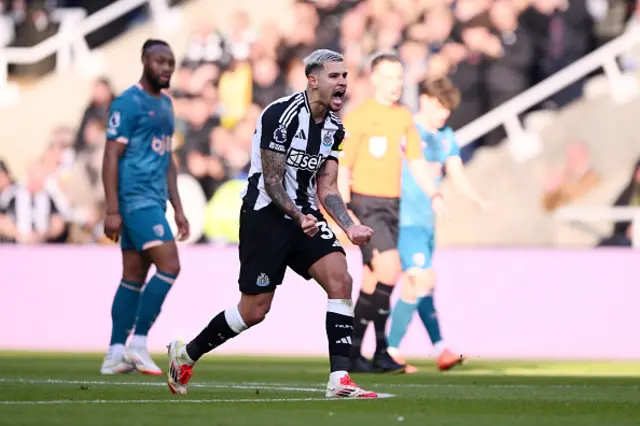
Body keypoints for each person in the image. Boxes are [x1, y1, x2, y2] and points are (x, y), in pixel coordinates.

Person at [165, 49, 379, 399]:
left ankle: (339, 380)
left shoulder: (335, 129)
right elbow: (273, 179)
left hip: (306, 216)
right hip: (266, 216)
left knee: (341, 277)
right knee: (254, 311)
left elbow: (327, 188)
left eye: (345, 76)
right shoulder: (281, 115)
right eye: (334, 77)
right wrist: (298, 216)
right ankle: (186, 354)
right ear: (313, 80)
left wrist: (349, 225)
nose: (342, 83)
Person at [338, 52, 446, 373]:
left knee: (373, 281)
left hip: (391, 205)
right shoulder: (358, 118)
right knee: (391, 269)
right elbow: (343, 165)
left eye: (399, 78)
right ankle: (383, 350)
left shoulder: (403, 118)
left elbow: (416, 161)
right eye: (389, 77)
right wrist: (344, 212)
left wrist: (435, 193)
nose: (395, 84)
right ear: (373, 79)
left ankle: (353, 354)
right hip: (365, 204)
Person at [100, 39, 190, 376]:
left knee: (133, 276)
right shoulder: (128, 102)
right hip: (134, 199)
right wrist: (112, 209)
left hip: (155, 200)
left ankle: (114, 352)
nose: (166, 68)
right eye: (160, 61)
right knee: (170, 265)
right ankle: (138, 342)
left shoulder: (166, 105)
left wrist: (178, 208)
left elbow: (168, 159)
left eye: (171, 62)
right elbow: (111, 155)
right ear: (144, 61)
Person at [387, 77, 489, 373]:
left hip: (427, 222)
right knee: (422, 280)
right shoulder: (407, 131)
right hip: (404, 219)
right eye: (441, 106)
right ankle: (427, 348)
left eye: (448, 108)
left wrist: (476, 199)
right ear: (425, 100)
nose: (445, 113)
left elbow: (455, 171)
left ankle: (396, 349)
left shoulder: (446, 135)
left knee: (417, 286)